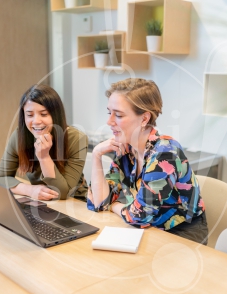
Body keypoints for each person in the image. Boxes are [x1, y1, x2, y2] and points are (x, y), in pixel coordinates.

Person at [87, 78, 208, 245]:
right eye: (109, 113)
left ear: (144, 119)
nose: (109, 121)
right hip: (148, 230)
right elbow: (98, 203)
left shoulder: (165, 153)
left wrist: (114, 206)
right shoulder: (127, 148)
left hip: (182, 234)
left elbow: (139, 216)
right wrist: (96, 155)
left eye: (119, 115)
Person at [0, 84, 88, 201]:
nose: (36, 121)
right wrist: (30, 190)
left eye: (44, 114)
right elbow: (1, 178)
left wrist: (44, 156)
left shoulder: (76, 139)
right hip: (40, 201)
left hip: (75, 201)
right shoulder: (20, 136)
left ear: (56, 115)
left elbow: (62, 193)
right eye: (29, 115)